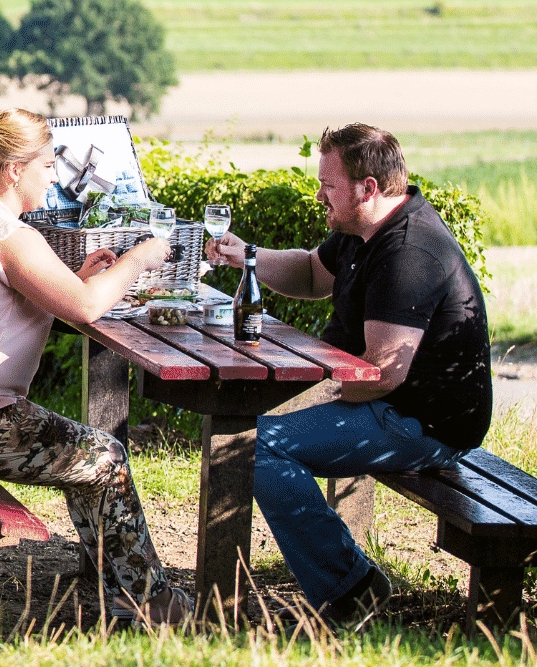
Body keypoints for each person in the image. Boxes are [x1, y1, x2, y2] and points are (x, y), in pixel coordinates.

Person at [0, 104, 191, 625]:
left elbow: (14, 303)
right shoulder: (11, 235)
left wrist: (77, 276)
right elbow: (84, 308)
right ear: (15, 170)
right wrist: (137, 259)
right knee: (105, 457)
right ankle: (152, 602)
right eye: (49, 164)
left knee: (93, 458)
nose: (53, 174)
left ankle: (112, 586)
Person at [205, 122, 490, 627]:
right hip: (390, 405)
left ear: (368, 188)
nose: (318, 195)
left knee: (249, 446)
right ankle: (341, 579)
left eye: (327, 185)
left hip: (421, 421)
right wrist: (247, 256)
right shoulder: (364, 232)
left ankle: (352, 589)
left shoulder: (408, 251)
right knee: (245, 433)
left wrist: (298, 388)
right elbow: (313, 274)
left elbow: (382, 374)